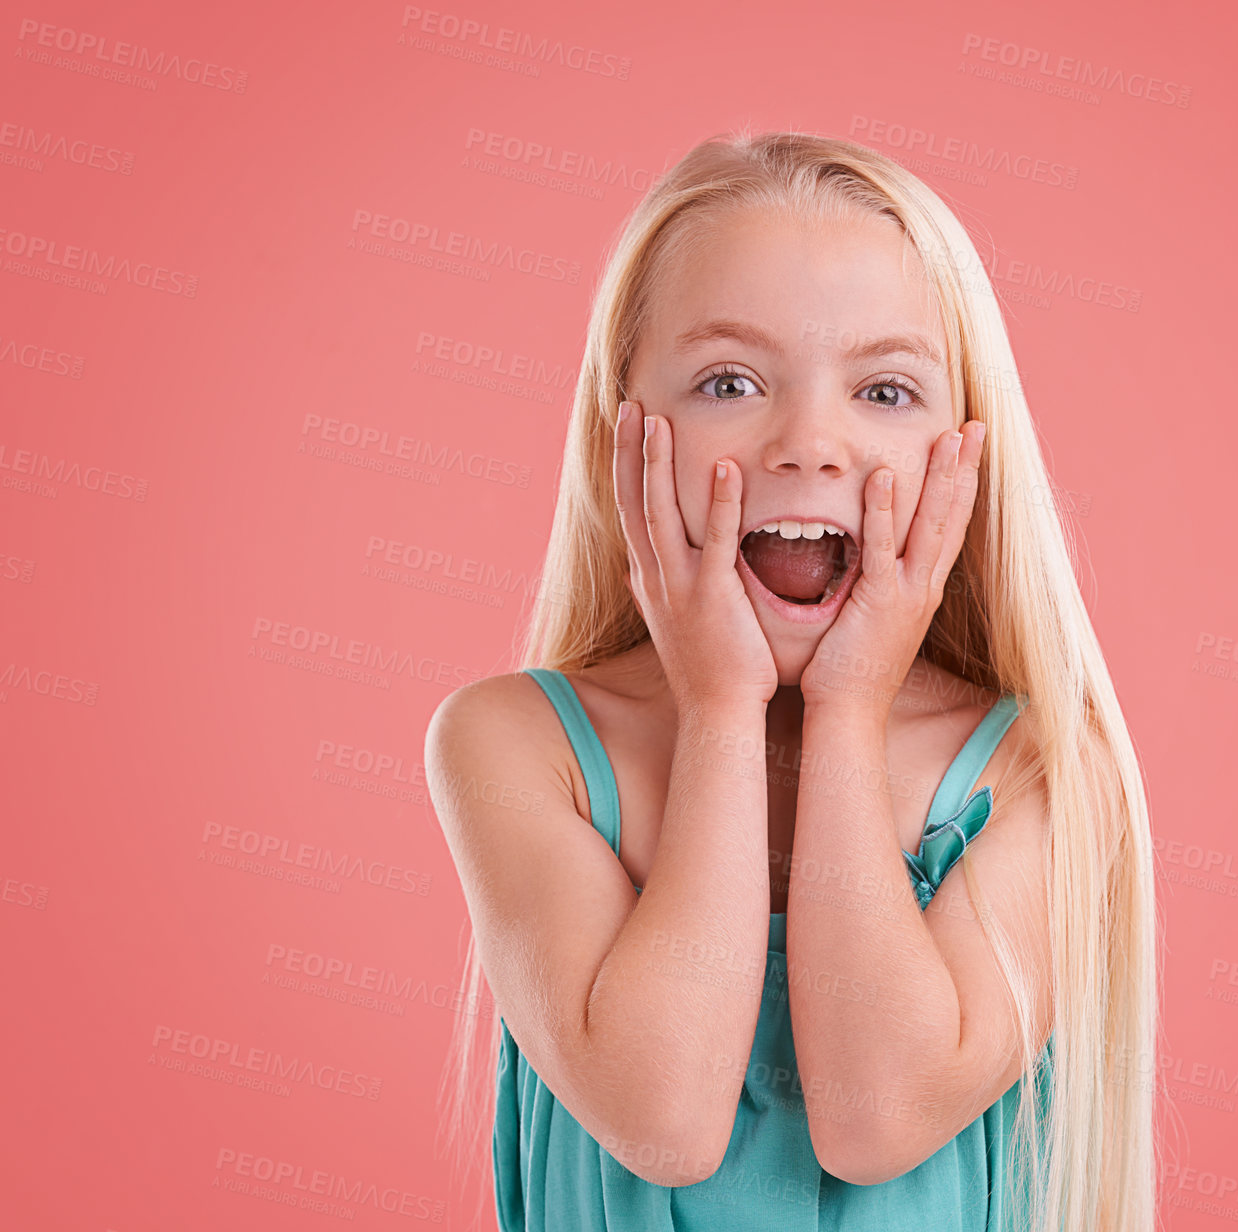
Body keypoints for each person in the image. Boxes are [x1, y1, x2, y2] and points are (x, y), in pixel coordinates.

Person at [425, 129, 1157, 1232]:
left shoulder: (1044, 773)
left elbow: (872, 1115)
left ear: (967, 449)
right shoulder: (510, 744)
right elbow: (664, 1115)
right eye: (729, 380)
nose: (810, 442)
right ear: (624, 431)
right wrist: (720, 705)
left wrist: (847, 710)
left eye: (885, 390)